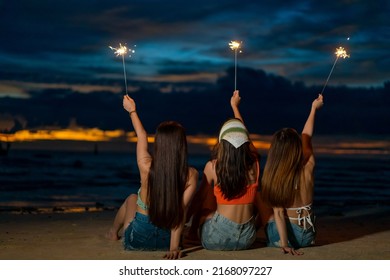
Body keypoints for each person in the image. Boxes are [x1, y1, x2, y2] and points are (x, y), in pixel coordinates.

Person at [106, 95, 198, 259]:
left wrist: (132, 111)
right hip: (166, 239)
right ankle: (114, 232)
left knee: (132, 198)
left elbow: (141, 135)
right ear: (181, 146)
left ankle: (113, 233)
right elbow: (180, 212)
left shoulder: (146, 166)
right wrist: (173, 248)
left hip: (138, 240)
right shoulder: (191, 174)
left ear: (159, 143)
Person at [185, 90, 268, 250]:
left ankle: (191, 236)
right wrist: (235, 107)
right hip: (247, 238)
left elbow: (198, 201)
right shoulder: (254, 164)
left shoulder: (213, 167)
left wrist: (184, 220)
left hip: (217, 239)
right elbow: (246, 138)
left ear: (222, 143)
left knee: (205, 204)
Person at [261, 94, 324, 255]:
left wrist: (284, 244)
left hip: (290, 237)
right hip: (309, 235)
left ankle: (272, 238)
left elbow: (279, 213)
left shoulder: (277, 177)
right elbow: (307, 137)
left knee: (266, 209)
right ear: (296, 148)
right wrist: (313, 109)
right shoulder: (309, 166)